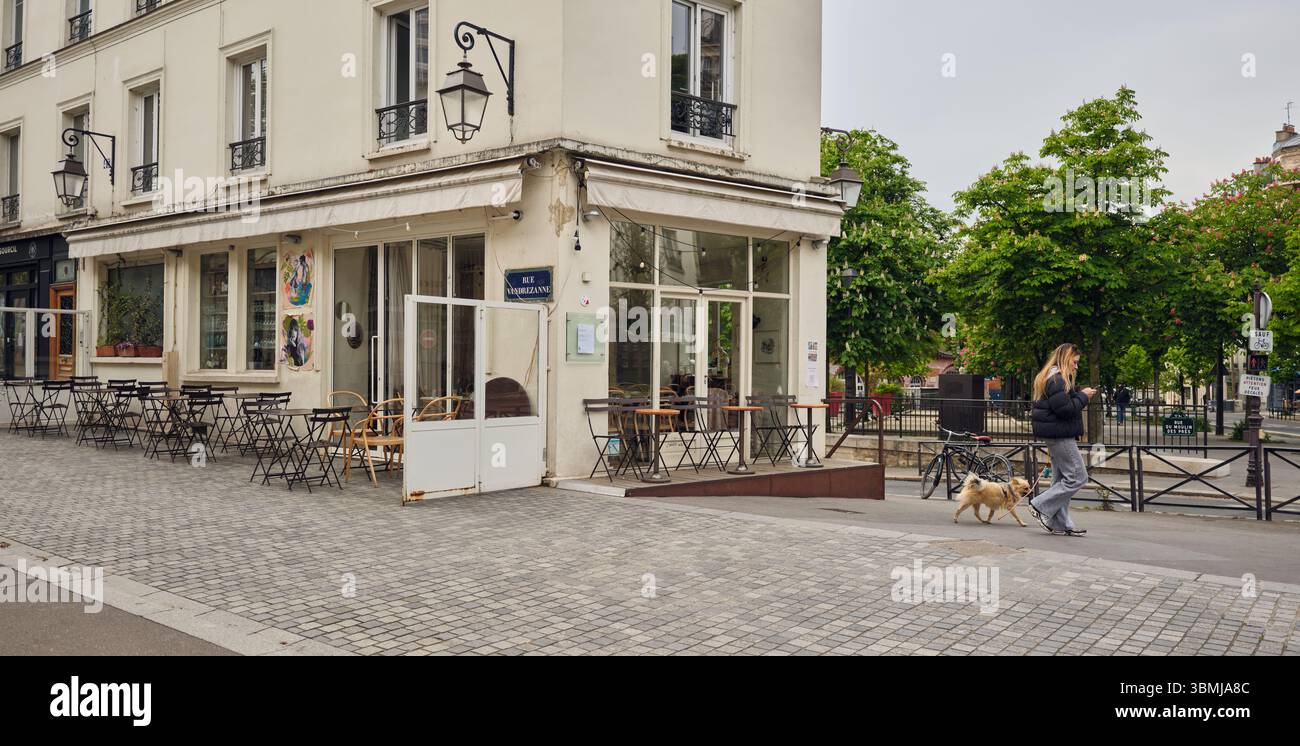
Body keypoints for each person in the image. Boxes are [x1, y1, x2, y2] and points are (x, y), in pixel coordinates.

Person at [1028, 343, 1095, 536]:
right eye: (1075, 362)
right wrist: (1083, 396)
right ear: (1066, 359)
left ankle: (1060, 523)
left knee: (1061, 480)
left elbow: (1062, 404)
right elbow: (1065, 410)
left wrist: (1079, 394)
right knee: (1077, 477)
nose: (1076, 366)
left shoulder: (1052, 377)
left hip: (1055, 433)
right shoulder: (1057, 380)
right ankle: (1040, 505)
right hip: (1060, 435)